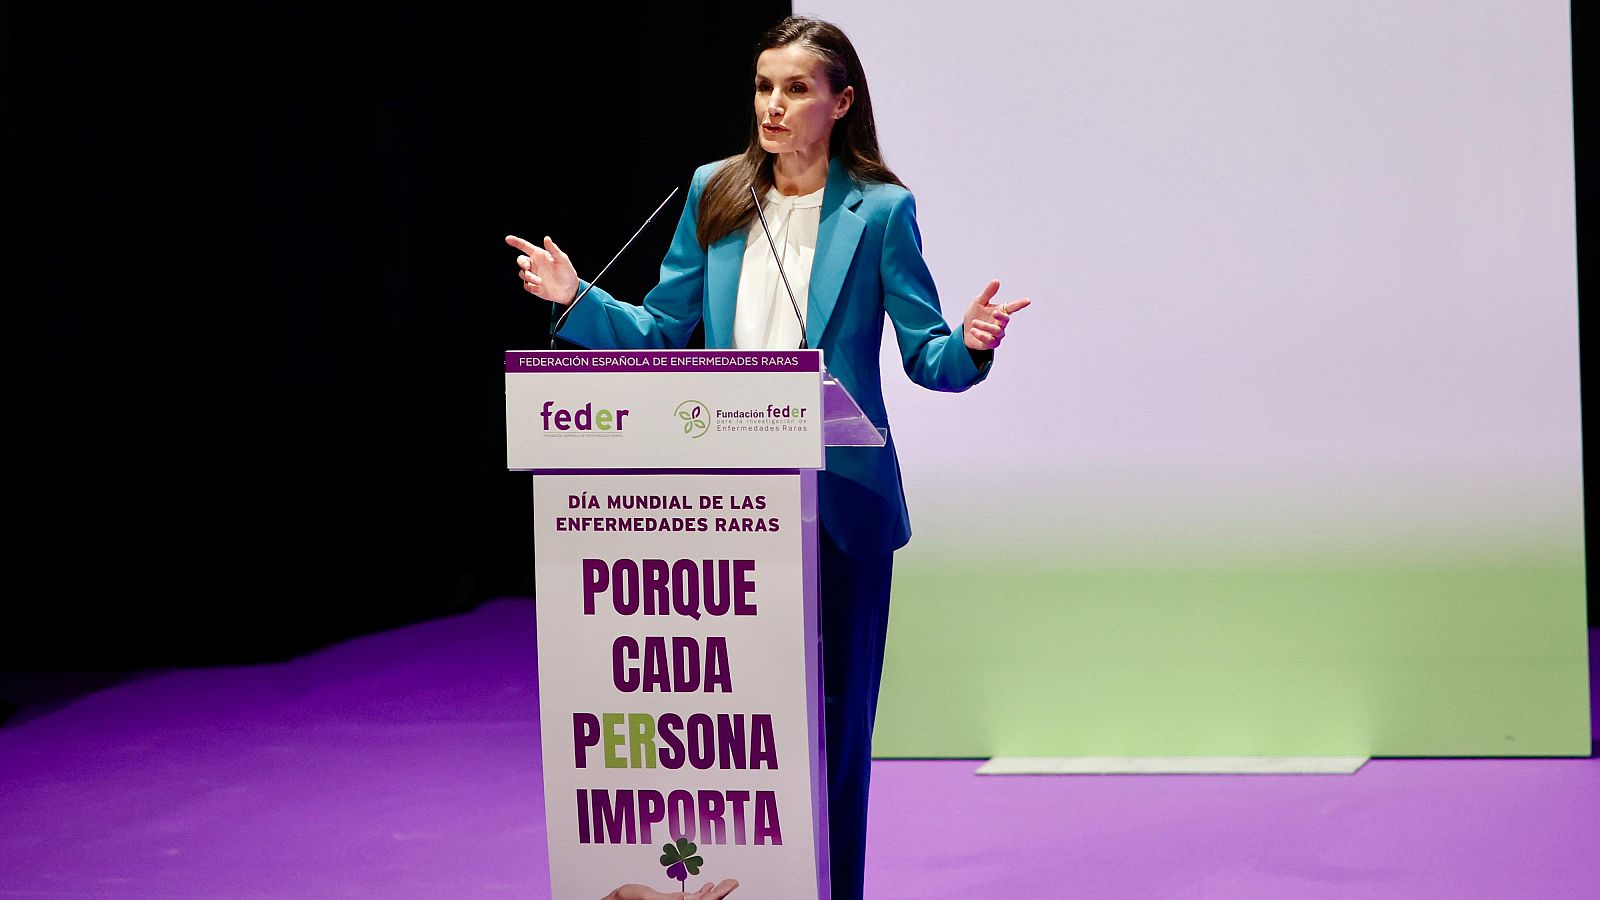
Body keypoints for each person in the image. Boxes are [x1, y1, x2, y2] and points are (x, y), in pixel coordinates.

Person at [507, 15, 1028, 900]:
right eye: (762, 87)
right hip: (724, 504)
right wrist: (579, 298)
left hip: (843, 503)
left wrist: (971, 344)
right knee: (737, 728)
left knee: (836, 729)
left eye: (794, 89)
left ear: (841, 102)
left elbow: (924, 353)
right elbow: (666, 334)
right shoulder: (714, 192)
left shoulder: (883, 210)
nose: (773, 106)